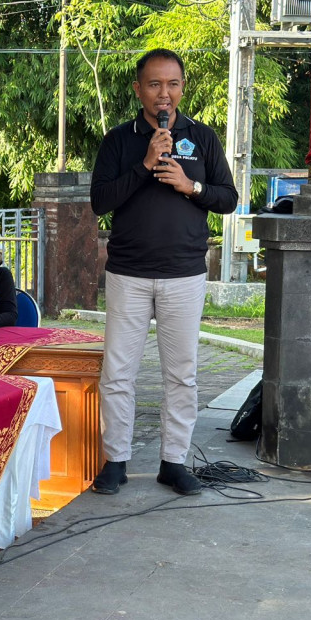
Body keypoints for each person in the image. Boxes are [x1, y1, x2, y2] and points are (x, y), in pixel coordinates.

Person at [90, 48, 238, 496]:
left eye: (172, 84)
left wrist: (191, 187)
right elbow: (101, 202)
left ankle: (173, 462)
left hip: (184, 274)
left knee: (182, 374)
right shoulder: (119, 140)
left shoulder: (203, 138)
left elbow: (228, 199)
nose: (164, 94)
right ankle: (115, 461)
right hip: (129, 274)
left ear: (182, 88)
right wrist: (146, 164)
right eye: (154, 84)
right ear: (139, 90)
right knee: (117, 373)